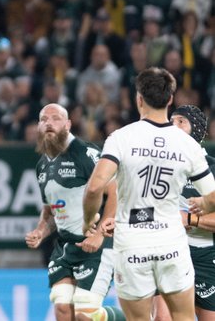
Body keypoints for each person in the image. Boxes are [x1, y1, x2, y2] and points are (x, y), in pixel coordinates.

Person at [83, 68, 215, 321]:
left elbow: (95, 188)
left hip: (135, 246)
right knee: (180, 317)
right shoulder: (186, 146)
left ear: (139, 99)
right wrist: (203, 203)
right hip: (172, 245)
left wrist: (91, 220)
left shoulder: (121, 137)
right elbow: (209, 198)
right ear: (170, 99)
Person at [25, 104, 123, 321]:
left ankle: (132, 318)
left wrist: (100, 235)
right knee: (62, 309)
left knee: (85, 315)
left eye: (55, 118)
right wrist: (41, 231)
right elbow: (51, 210)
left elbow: (116, 192)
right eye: (44, 120)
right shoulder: (42, 165)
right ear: (38, 127)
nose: (49, 123)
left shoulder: (86, 153)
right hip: (65, 247)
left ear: (68, 124)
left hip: (97, 245)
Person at [172, 105, 215, 321]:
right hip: (170, 250)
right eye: (171, 121)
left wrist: (190, 219)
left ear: (196, 129)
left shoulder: (212, 169)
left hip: (205, 255)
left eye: (181, 121)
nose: (173, 126)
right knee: (163, 318)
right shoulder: (162, 166)